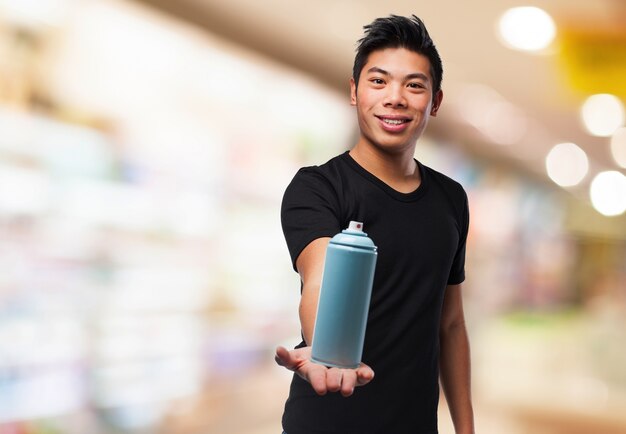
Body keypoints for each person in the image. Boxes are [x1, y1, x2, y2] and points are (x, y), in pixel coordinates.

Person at [275, 14, 475, 434]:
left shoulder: (451, 199)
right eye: (378, 81)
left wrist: (466, 429)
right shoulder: (319, 187)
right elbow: (320, 279)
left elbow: (451, 323)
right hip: (326, 419)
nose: (395, 98)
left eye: (414, 85)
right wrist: (327, 355)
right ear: (355, 91)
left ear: (434, 102)